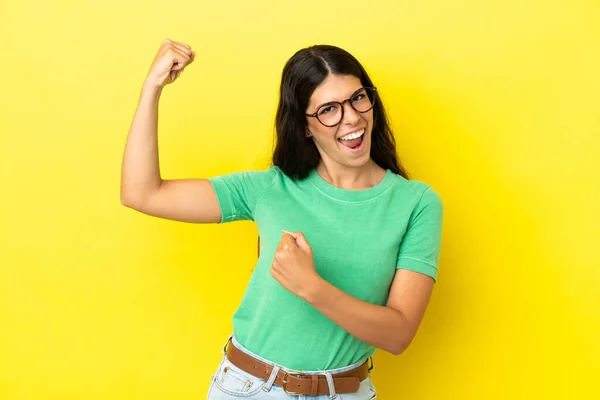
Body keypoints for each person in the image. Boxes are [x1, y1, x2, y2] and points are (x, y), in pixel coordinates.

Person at [121, 39, 444, 400]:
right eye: (328, 110)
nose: (351, 118)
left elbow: (399, 335)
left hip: (347, 391)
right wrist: (152, 88)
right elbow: (142, 193)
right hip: (249, 388)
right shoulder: (271, 188)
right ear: (305, 126)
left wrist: (311, 286)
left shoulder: (416, 204)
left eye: (357, 98)